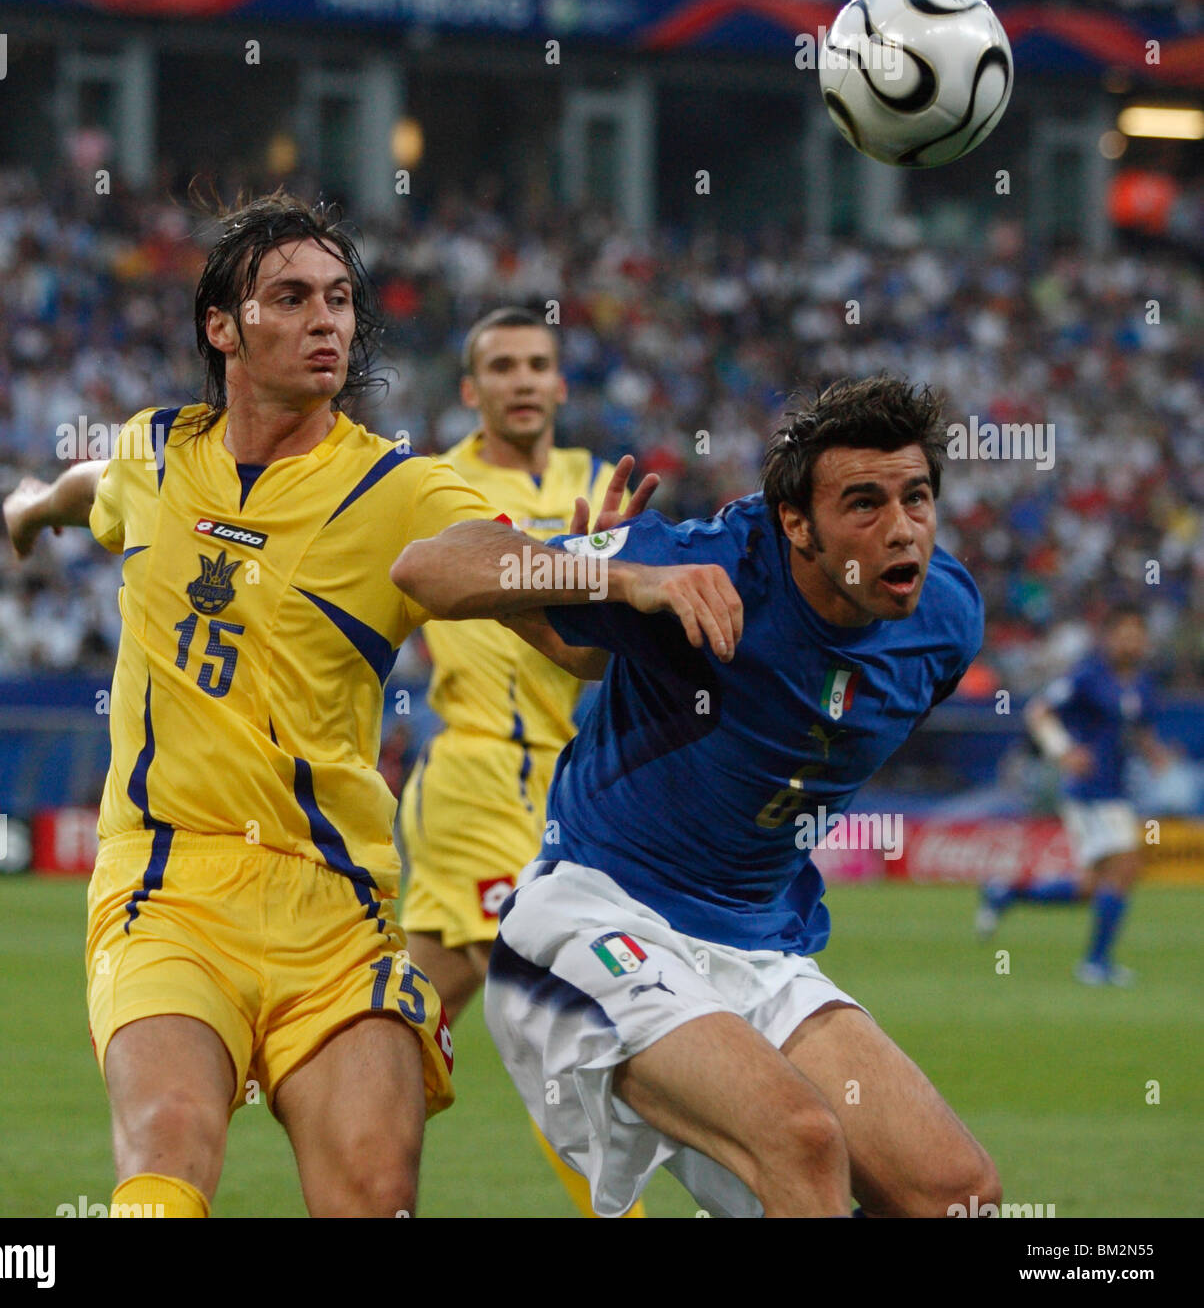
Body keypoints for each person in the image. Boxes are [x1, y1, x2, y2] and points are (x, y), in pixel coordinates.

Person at [0, 190, 510, 1218]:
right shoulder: (157, 455)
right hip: (167, 884)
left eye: (339, 298)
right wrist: (32, 508)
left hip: (338, 904)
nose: (328, 319)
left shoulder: (399, 490)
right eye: (291, 297)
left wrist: (611, 578)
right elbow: (89, 483)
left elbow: (514, 573)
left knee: (373, 1192)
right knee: (168, 1148)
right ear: (223, 327)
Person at [390, 374, 1001, 1217]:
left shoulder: (946, 619)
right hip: (591, 920)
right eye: (863, 503)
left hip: (758, 948)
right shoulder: (706, 563)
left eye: (918, 497)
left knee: (959, 1194)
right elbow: (430, 566)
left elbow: (627, 668)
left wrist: (590, 630)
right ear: (797, 523)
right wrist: (619, 580)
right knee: (803, 1139)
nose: (901, 530)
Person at [399, 305, 648, 1217]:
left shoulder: (602, 484)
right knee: (555, 1006)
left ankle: (348, 1137)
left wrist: (627, 571)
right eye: (501, 366)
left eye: (538, 362)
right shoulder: (439, 486)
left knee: (406, 1022)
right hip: (482, 772)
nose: (523, 379)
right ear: (472, 390)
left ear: (561, 382)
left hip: (579, 781)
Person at [977, 605, 1166, 985]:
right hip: (1089, 790)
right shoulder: (1088, 677)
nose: (1130, 641)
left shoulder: (1141, 684)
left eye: (1137, 634)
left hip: (1116, 788)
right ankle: (1095, 963)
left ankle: (1007, 893)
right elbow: (1039, 711)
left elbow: (1139, 729)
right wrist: (1063, 750)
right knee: (1126, 866)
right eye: (1123, 633)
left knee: (1089, 888)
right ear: (1108, 637)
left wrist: (1156, 753)